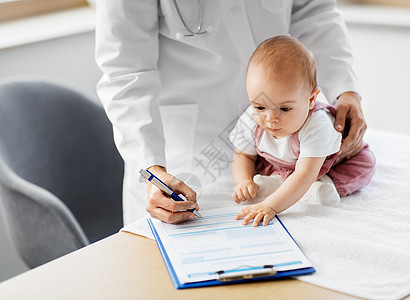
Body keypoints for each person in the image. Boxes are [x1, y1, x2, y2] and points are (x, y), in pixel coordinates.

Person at [95, 0, 367, 225]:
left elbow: (313, 9)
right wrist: (152, 167)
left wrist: (346, 89)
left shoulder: (312, 124)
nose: (270, 118)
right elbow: (126, 72)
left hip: (282, 142)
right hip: (184, 154)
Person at [230, 36, 375, 227]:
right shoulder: (252, 118)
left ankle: (322, 186)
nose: (270, 118)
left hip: (326, 164)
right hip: (285, 164)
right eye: (259, 107)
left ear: (311, 99)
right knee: (260, 161)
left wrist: (270, 206)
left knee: (364, 165)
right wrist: (243, 181)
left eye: (285, 109)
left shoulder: (317, 125)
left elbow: (304, 174)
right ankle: (277, 183)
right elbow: (242, 155)